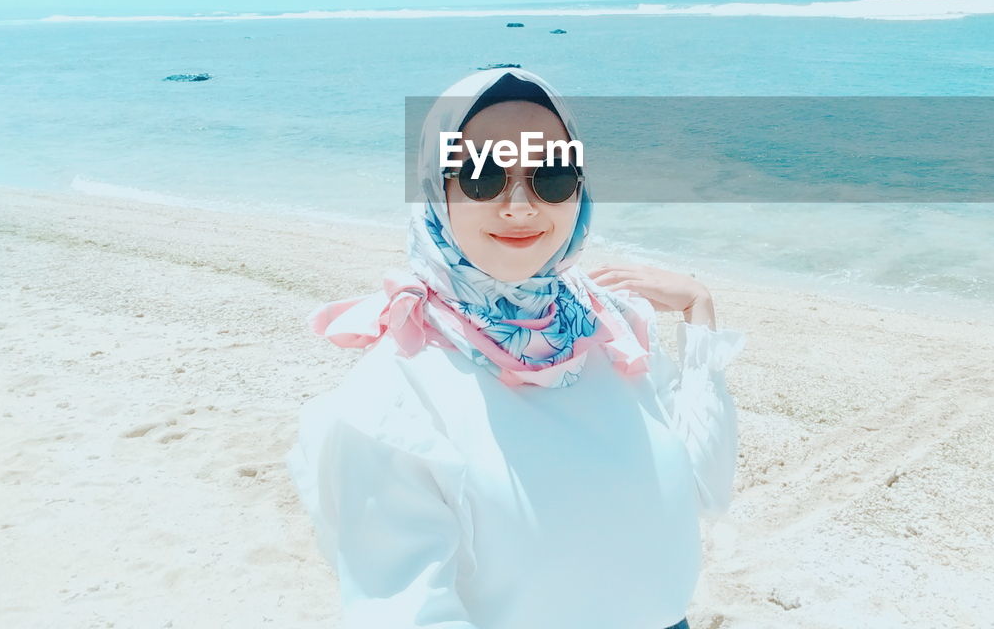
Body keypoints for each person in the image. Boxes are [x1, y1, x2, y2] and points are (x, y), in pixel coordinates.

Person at [286, 67, 746, 629]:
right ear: (437, 189)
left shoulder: (608, 329)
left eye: (552, 175)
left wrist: (699, 311)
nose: (522, 206)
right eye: (483, 175)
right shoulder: (395, 394)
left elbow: (705, 491)